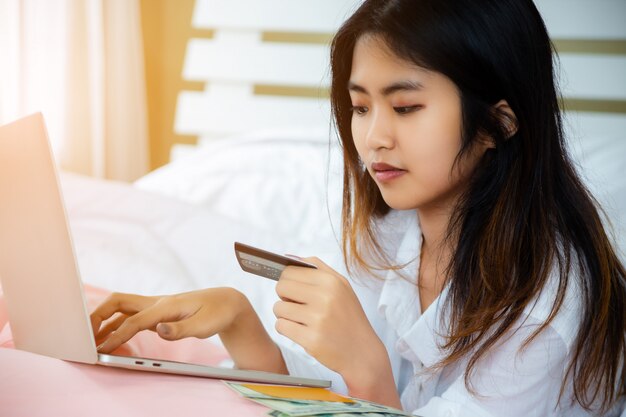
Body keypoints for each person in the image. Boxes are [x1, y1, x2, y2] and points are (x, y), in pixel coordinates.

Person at [90, 0, 626, 415]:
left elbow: (359, 387)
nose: (373, 138)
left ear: (498, 123)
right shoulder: (391, 236)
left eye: (406, 107)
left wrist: (368, 370)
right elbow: (321, 398)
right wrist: (243, 324)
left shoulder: (545, 312)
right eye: (360, 107)